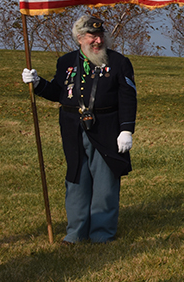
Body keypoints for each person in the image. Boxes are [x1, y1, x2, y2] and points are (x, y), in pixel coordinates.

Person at [22, 15, 136, 244]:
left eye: (100, 35)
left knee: (105, 182)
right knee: (76, 179)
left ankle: (102, 234)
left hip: (106, 128)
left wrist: (126, 130)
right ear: (79, 38)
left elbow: (128, 98)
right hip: (72, 129)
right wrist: (37, 84)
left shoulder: (119, 62)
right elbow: (59, 92)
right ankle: (75, 233)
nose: (98, 40)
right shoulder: (66, 62)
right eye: (92, 36)